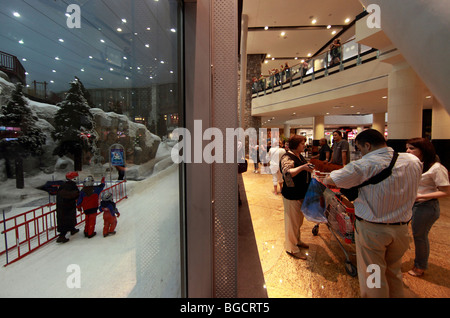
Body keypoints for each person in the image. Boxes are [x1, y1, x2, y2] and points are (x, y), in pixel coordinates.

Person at [324, 129, 422, 298]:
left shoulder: (364, 165)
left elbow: (330, 179)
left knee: (374, 276)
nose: (361, 153)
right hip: (401, 230)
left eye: (361, 149)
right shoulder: (413, 161)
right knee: (394, 272)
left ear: (367, 145)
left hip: (374, 232)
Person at [405, 138, 450, 277]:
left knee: (420, 236)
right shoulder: (415, 165)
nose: (408, 151)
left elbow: (446, 191)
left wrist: (420, 196)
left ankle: (420, 266)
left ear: (423, 150)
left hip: (427, 207)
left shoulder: (437, 168)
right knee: (414, 234)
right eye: (407, 148)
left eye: (412, 148)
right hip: (414, 205)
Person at [279, 135, 314, 260]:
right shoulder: (287, 157)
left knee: (298, 221)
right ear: (295, 145)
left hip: (301, 193)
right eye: (302, 143)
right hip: (292, 194)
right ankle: (291, 248)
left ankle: (297, 240)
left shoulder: (300, 155)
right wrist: (304, 167)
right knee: (292, 222)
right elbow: (288, 173)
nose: (304, 145)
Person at [56, 171, 80, 243]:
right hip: (68, 206)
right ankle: (62, 236)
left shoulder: (63, 185)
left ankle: (72, 229)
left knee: (64, 219)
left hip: (62, 206)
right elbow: (74, 194)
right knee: (67, 219)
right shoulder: (72, 186)